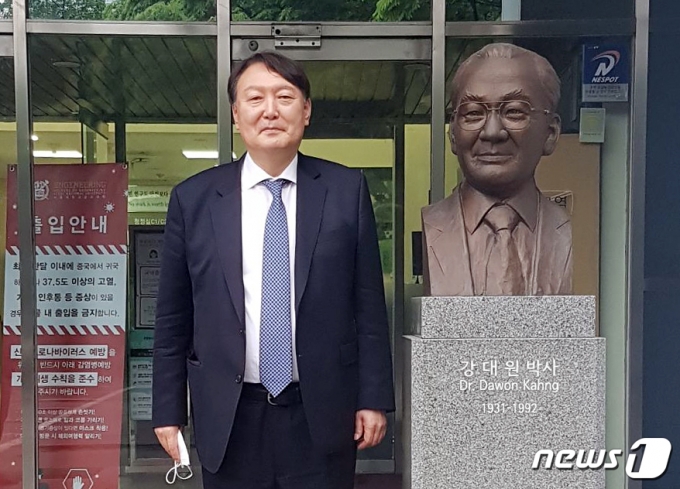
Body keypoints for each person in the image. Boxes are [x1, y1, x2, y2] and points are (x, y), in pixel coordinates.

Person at [151, 51, 395, 489]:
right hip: (230, 415)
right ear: (236, 113)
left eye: (284, 97)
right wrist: (167, 411)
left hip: (321, 411)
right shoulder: (194, 200)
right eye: (255, 98)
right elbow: (172, 318)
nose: (270, 110)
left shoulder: (345, 191)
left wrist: (374, 398)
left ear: (306, 111)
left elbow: (369, 308)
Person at [422, 43, 572, 296]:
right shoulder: (434, 224)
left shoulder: (567, 229)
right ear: (453, 134)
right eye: (473, 113)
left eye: (514, 112)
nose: (492, 132)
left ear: (550, 133)